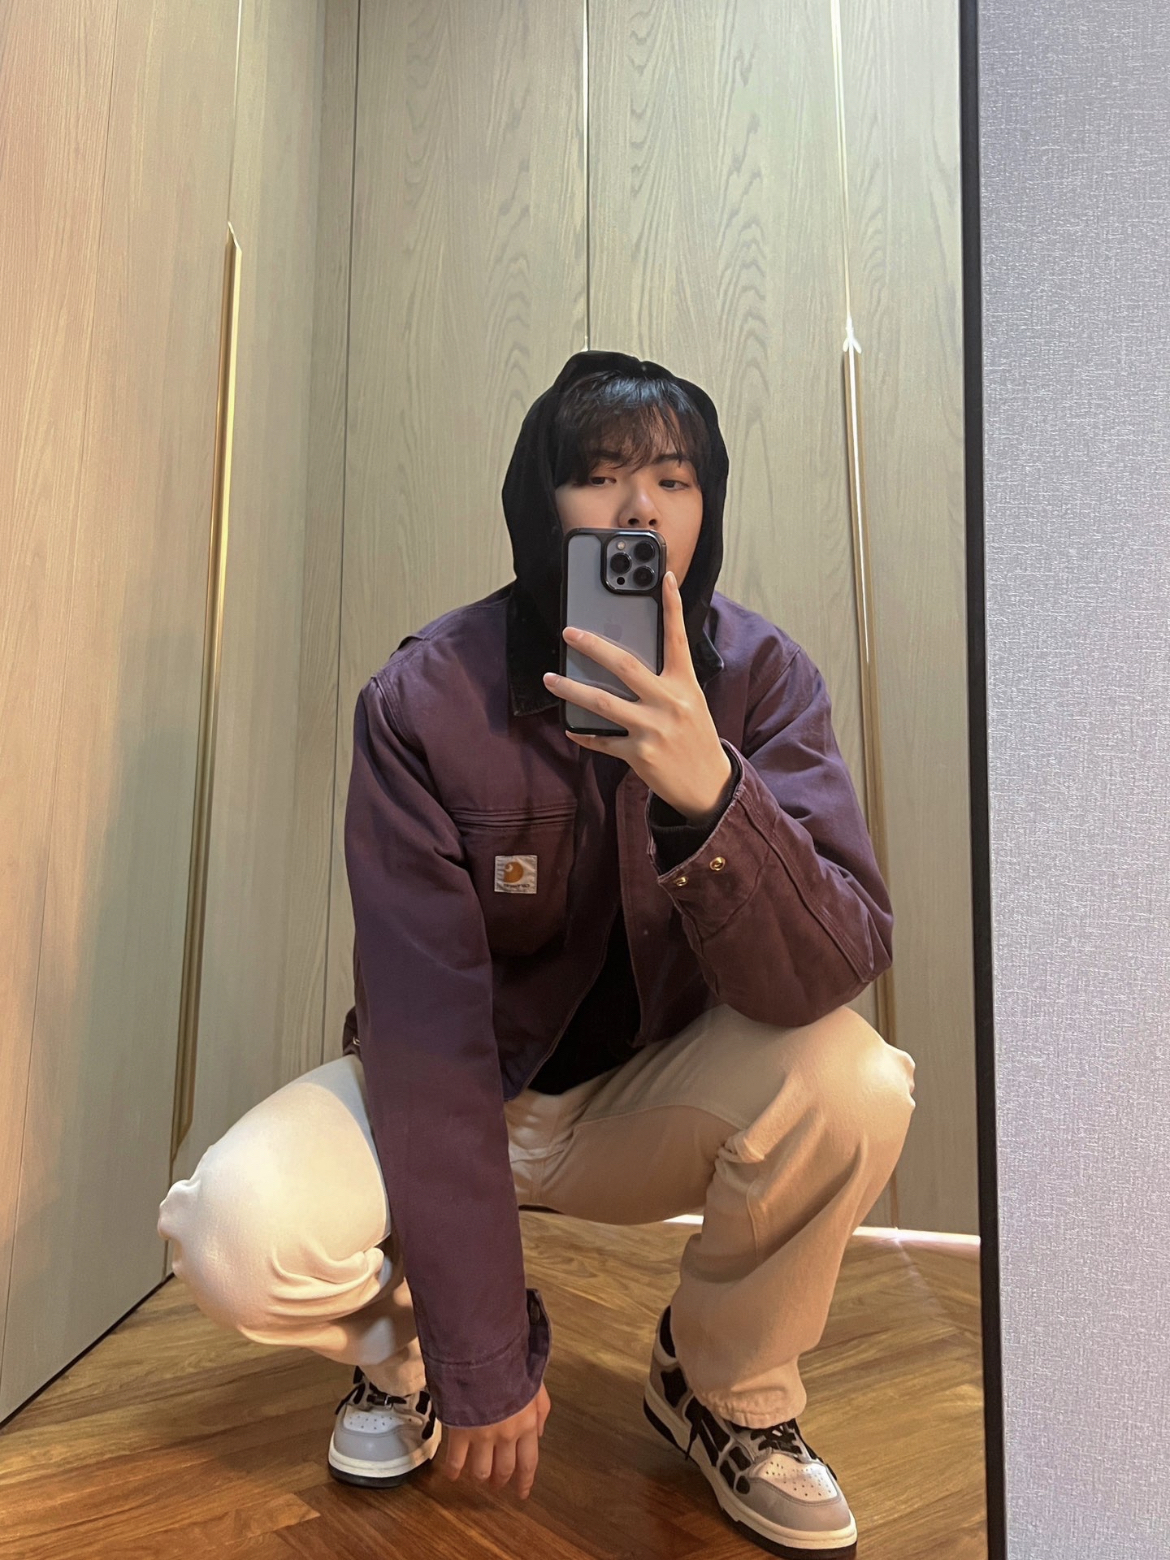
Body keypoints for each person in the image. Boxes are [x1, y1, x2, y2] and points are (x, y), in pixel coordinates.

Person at [158, 349, 916, 1558]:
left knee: (860, 1080)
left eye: (674, 479)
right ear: (538, 504)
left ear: (707, 506)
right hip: (458, 1094)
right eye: (600, 475)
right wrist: (482, 1349)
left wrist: (711, 795)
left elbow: (827, 969)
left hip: (648, 1103)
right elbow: (424, 1035)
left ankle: (723, 1389)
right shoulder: (427, 699)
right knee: (228, 1233)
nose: (638, 510)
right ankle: (405, 1349)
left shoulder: (765, 681)